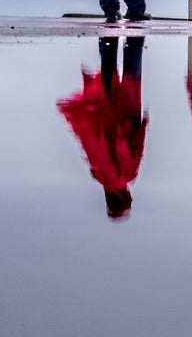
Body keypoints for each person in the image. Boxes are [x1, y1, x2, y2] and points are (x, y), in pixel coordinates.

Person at [57, 36, 148, 220]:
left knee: (132, 65)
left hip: (126, 117)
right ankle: (108, 36)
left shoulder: (127, 175)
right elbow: (89, 143)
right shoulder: (98, 174)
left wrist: (143, 125)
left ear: (125, 196)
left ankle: (133, 31)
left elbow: (134, 148)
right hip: (106, 112)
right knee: (109, 68)